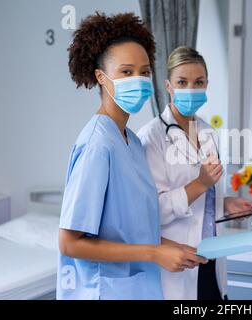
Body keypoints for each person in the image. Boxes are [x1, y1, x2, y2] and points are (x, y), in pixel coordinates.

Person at [57, 13, 206, 300]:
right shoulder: (97, 145)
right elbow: (69, 243)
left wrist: (168, 246)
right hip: (104, 291)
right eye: (126, 72)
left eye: (144, 72)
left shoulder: (132, 142)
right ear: (101, 77)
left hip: (139, 288)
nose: (138, 80)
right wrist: (154, 252)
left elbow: (128, 230)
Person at [137, 46, 252, 300]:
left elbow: (206, 199)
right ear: (168, 85)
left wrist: (226, 203)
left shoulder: (207, 131)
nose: (191, 89)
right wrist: (200, 183)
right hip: (178, 263)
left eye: (198, 82)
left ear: (207, 85)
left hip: (210, 257)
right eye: (182, 82)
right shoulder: (151, 137)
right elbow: (151, 211)